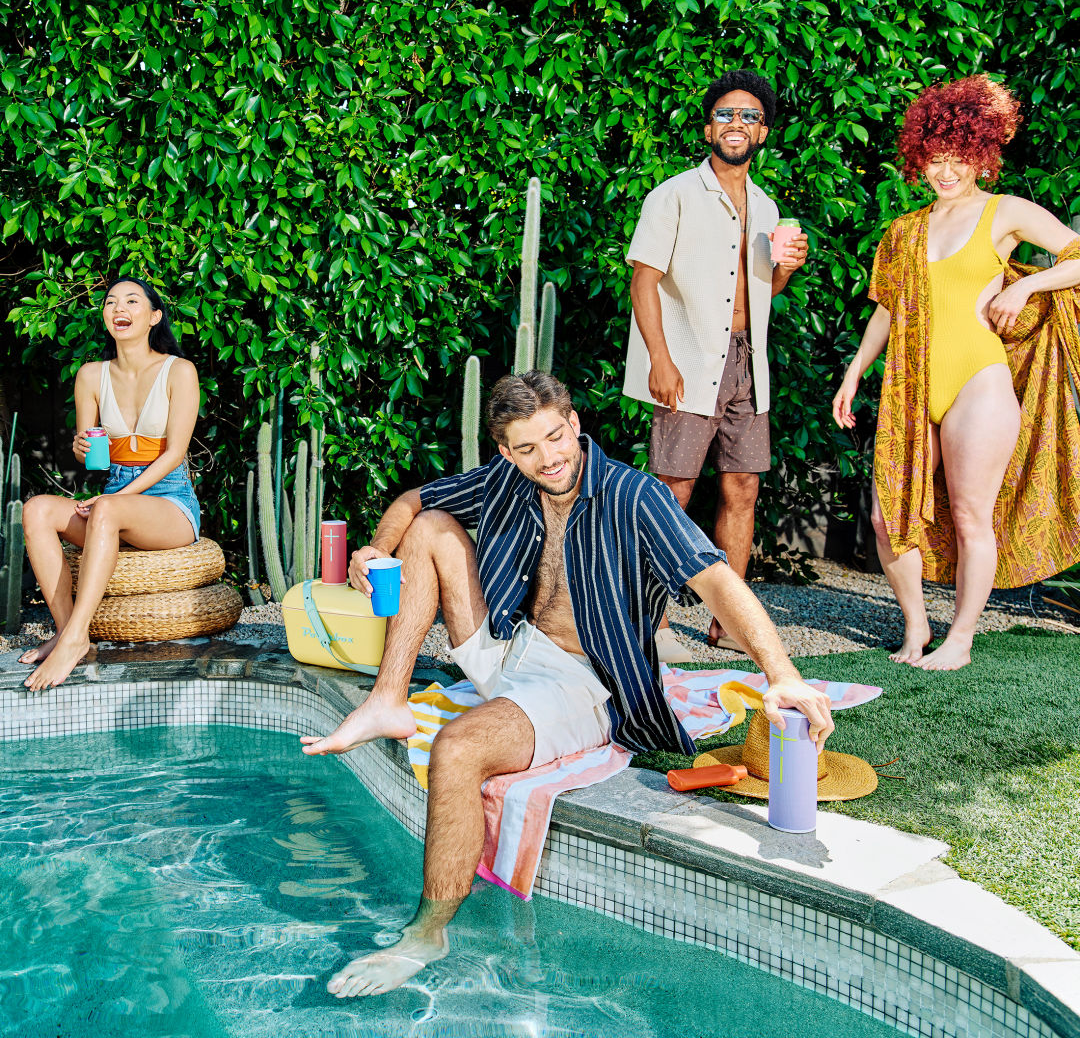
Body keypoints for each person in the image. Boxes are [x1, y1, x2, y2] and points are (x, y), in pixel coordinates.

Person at [301, 371, 834, 997]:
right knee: (429, 528)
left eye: (556, 437)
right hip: (510, 643)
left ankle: (427, 934)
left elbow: (715, 580)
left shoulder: (634, 497)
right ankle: (388, 699)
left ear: (574, 422)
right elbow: (414, 500)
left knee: (458, 748)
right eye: (528, 448)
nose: (549, 458)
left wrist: (782, 675)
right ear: (506, 452)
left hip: (582, 681)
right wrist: (375, 548)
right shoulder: (506, 478)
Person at [832, 75, 1080, 671]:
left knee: (971, 515)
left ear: (982, 153)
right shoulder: (905, 230)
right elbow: (888, 309)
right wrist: (854, 372)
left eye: (958, 157)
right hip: (913, 386)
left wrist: (1027, 288)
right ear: (919, 157)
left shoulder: (1004, 211)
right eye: (935, 159)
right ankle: (916, 626)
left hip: (979, 380)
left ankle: (961, 639)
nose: (945, 171)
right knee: (886, 515)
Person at [622, 69, 809, 658]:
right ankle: (648, 620)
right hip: (687, 361)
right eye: (726, 114)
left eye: (750, 116)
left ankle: (728, 622)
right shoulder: (673, 195)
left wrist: (785, 271)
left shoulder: (768, 207)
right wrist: (660, 359)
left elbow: (760, 294)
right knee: (671, 491)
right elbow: (643, 280)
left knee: (743, 487)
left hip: (748, 364)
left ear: (763, 133)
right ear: (708, 129)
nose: (737, 123)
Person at [20, 277, 201, 690]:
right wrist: (80, 447)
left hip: (170, 501)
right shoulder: (90, 375)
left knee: (106, 507)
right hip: (116, 496)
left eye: (132, 301)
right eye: (111, 302)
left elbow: (175, 453)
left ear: (154, 317)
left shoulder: (179, 371)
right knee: (37, 510)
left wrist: (113, 498)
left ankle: (74, 639)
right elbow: (89, 453)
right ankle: (68, 632)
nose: (119, 308)